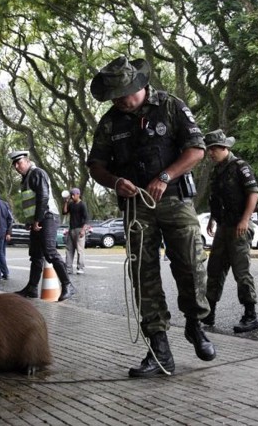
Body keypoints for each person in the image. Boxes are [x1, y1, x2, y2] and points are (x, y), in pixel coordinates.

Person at [87, 55, 216, 377]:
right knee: (144, 277)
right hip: (135, 207)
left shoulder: (170, 106)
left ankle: (195, 323)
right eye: (113, 97)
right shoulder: (110, 122)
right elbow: (96, 165)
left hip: (174, 200)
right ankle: (159, 349)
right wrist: (115, 181)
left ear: (139, 85)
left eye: (123, 94)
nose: (119, 101)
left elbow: (196, 150)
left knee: (191, 264)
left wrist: (165, 176)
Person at [201, 130, 258, 333]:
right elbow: (216, 198)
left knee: (241, 272)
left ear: (224, 148)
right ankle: (209, 313)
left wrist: (245, 220)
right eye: (209, 150)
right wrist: (211, 218)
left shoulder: (240, 167)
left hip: (238, 227)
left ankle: (250, 315)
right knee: (214, 270)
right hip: (223, 227)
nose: (210, 153)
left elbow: (253, 193)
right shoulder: (217, 171)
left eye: (213, 149)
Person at [9, 150, 76, 301]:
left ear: (27, 161)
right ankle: (32, 288)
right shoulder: (26, 178)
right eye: (14, 164)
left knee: (50, 252)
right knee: (35, 255)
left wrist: (37, 219)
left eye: (19, 163)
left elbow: (43, 196)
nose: (17, 167)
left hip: (47, 217)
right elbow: (30, 203)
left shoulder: (37, 173)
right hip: (38, 219)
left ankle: (68, 285)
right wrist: (30, 221)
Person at [62, 187, 89, 274]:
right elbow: (64, 212)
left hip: (79, 229)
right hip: (71, 229)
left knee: (80, 250)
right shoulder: (71, 204)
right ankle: (68, 269)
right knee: (69, 249)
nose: (72, 196)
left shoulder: (82, 205)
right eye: (71, 195)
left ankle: (80, 268)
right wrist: (66, 202)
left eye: (74, 195)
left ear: (78, 194)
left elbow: (86, 219)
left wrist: (83, 230)